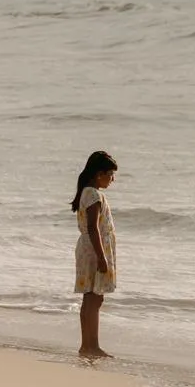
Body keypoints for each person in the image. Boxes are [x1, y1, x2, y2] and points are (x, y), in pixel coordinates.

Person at [71, 151, 118, 359]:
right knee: (94, 298)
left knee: (90, 298)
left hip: (88, 248)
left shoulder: (87, 193)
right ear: (99, 174)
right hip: (94, 249)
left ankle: (87, 345)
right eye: (110, 174)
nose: (112, 179)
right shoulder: (93, 195)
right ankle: (92, 345)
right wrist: (101, 257)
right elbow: (93, 227)